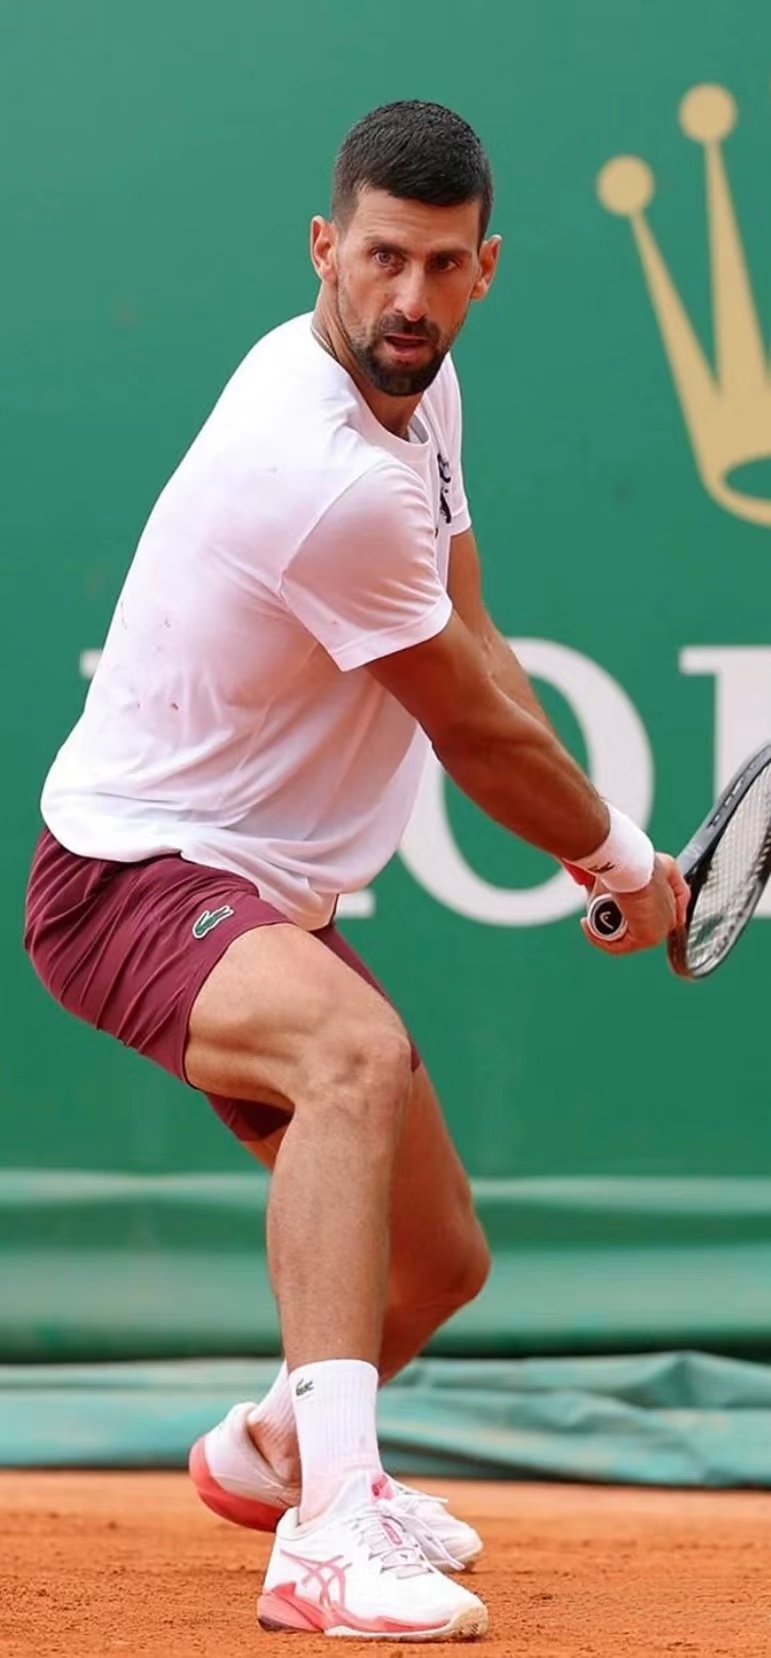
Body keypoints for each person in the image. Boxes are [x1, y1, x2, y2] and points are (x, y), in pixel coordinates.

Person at [24, 99, 688, 1642]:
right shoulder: (321, 469)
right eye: (382, 257)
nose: (410, 297)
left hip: (259, 885)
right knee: (351, 1053)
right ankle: (328, 1531)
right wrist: (617, 855)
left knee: (437, 1260)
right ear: (325, 246)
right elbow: (472, 731)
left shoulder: (424, 395)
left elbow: (475, 638)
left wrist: (609, 853)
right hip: (130, 874)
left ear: (485, 268)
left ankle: (273, 1451)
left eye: (443, 266)